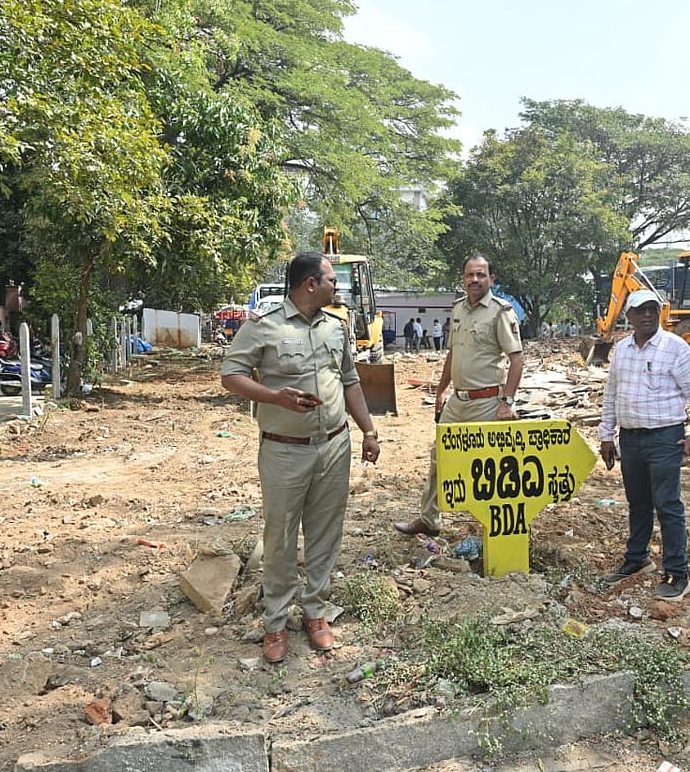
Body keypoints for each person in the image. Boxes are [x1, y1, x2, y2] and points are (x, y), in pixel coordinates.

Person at [220, 251, 382, 663]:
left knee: (326, 532)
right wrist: (276, 397)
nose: (336, 287)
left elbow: (350, 380)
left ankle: (315, 612)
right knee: (280, 536)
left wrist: (368, 430)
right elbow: (231, 376)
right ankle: (275, 621)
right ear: (311, 284)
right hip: (283, 450)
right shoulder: (265, 325)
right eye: (331, 280)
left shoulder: (336, 326)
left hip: (334, 446)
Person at [394, 254, 524, 536]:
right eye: (469, 275)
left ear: (491, 279)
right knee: (439, 457)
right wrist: (441, 390)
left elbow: (517, 359)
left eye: (480, 274)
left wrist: (507, 402)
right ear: (463, 278)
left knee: (489, 466)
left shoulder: (501, 312)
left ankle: (493, 529)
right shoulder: (458, 309)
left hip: (488, 403)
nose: (474, 280)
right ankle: (429, 519)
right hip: (458, 402)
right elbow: (453, 353)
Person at [598, 290, 690, 600]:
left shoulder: (675, 348)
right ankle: (637, 558)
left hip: (664, 437)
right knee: (638, 503)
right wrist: (606, 434)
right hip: (630, 438)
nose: (647, 315)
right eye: (640, 310)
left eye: (652, 309)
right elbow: (611, 394)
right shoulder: (622, 350)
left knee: (667, 504)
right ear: (629, 316)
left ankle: (677, 573)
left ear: (660, 313)